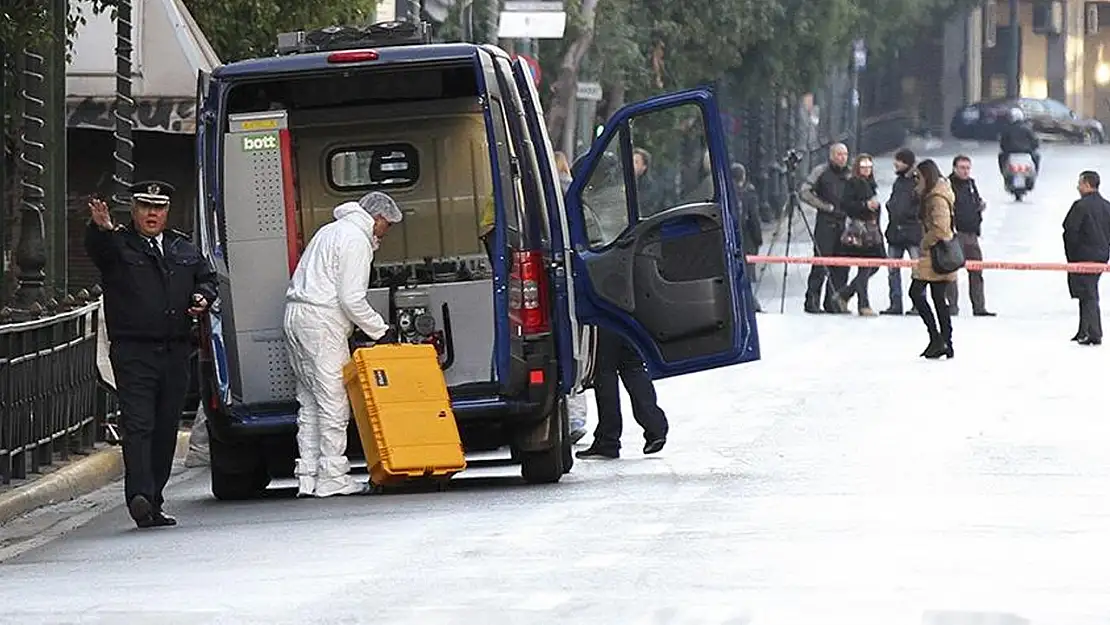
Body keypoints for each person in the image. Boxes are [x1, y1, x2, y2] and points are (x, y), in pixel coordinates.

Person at [85, 181, 219, 528]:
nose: (152, 214)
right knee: (139, 424)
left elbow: (207, 279)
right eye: (145, 207)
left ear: (167, 212)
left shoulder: (181, 246)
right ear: (134, 210)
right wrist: (100, 229)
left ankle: (153, 501)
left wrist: (202, 297)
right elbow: (99, 250)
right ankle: (139, 496)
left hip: (175, 351)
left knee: (164, 428)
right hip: (135, 351)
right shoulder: (118, 244)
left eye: (158, 208)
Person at [283, 191, 403, 498]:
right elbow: (351, 299)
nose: (385, 234)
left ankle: (308, 476)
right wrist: (380, 330)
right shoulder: (356, 239)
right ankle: (334, 476)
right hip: (322, 321)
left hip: (296, 317)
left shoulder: (329, 230)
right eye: (387, 227)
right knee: (334, 400)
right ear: (378, 219)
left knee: (310, 400)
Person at [574, 329, 668, 460]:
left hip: (603, 320)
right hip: (627, 320)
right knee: (633, 368)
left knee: (604, 375)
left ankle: (608, 441)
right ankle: (656, 428)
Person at [908, 159, 958, 359]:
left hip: (936, 255)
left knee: (917, 292)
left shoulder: (937, 198)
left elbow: (941, 229)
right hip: (935, 255)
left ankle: (938, 338)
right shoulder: (932, 194)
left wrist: (925, 243)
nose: (916, 181)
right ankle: (944, 340)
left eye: (918, 177)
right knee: (938, 298)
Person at [799, 143, 851, 314]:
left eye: (844, 154)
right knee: (821, 263)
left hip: (844, 223)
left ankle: (833, 302)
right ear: (831, 155)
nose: (842, 158)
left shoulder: (850, 174)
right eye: (839, 154)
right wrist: (823, 206)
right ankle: (812, 301)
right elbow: (805, 191)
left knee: (842, 266)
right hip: (826, 223)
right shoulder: (821, 171)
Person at [1062, 170, 1110, 346]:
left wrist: (1072, 255)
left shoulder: (1080, 206)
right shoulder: (1107, 206)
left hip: (1083, 256)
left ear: (1088, 185)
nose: (1078, 187)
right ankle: (1084, 330)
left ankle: (1094, 332)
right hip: (1102, 256)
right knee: (1087, 291)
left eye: (1080, 183)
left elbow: (1070, 230)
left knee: (1088, 293)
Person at [835, 153, 885, 316]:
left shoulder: (870, 183)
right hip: (860, 230)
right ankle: (863, 304)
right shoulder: (853, 183)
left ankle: (845, 294)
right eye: (863, 167)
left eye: (869, 167)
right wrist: (865, 205)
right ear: (857, 167)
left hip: (872, 229)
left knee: (874, 264)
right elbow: (846, 205)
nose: (867, 170)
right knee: (865, 266)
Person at [946, 155, 996, 317]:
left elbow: (975, 202)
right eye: (962, 168)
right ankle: (952, 306)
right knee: (951, 272)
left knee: (976, 271)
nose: (965, 171)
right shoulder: (947, 185)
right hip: (955, 233)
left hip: (971, 234)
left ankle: (979, 307)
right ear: (954, 168)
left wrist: (979, 207)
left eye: (967, 168)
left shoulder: (971, 184)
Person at [880, 148, 922, 316]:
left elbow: (920, 205)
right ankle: (895, 303)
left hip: (913, 232)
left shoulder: (918, 182)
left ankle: (918, 304)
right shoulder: (898, 182)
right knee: (892, 269)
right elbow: (893, 202)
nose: (895, 164)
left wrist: (908, 216)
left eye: (898, 160)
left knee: (917, 271)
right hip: (895, 232)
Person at [731, 163, 764, 312]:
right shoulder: (748, 193)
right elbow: (754, 219)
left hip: (731, 238)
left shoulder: (728, 193)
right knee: (747, 274)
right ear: (743, 177)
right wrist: (758, 239)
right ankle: (750, 303)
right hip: (747, 240)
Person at [998, 107, 1040, 174]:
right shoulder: (1027, 128)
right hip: (1026, 152)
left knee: (1001, 156)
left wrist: (1006, 149)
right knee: (1037, 156)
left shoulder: (1008, 128)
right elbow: (1035, 142)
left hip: (1011, 152)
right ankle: (1035, 173)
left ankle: (1003, 173)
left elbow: (1003, 143)